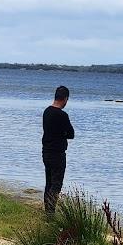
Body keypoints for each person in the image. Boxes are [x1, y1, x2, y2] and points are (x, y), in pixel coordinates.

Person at [41, 84, 74, 217]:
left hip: (46, 152)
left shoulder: (47, 111)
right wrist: (62, 134)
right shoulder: (62, 115)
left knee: (48, 183)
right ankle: (50, 213)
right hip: (57, 154)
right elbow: (71, 134)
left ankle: (48, 212)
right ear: (65, 99)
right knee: (56, 184)